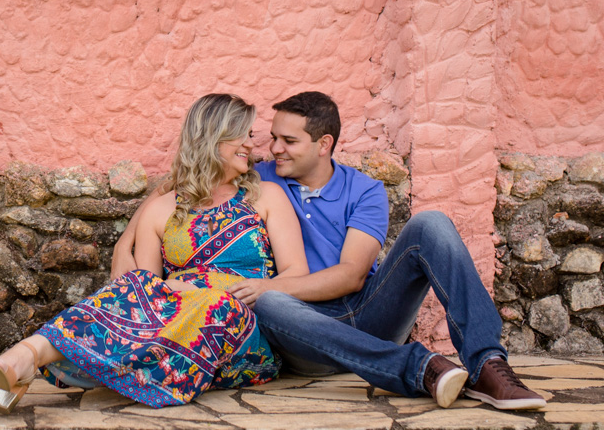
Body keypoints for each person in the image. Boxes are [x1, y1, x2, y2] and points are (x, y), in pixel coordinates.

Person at [112, 91, 547, 411]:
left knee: (431, 224)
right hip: (297, 329)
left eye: (288, 141)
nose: (273, 149)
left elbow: (352, 275)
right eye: (273, 138)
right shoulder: (260, 177)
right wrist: (125, 239)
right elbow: (179, 185)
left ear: (323, 145)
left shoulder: (365, 191)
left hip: (369, 313)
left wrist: (266, 287)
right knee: (271, 303)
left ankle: (488, 366)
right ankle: (418, 367)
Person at [0, 93, 309, 413]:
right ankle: (24, 356)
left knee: (214, 304)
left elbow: (297, 272)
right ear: (211, 138)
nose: (251, 144)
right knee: (134, 285)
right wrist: (164, 285)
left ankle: (85, 362)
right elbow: (145, 293)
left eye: (250, 135)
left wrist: (242, 289)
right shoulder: (161, 209)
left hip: (241, 328)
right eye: (241, 134)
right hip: (176, 320)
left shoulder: (266, 197)